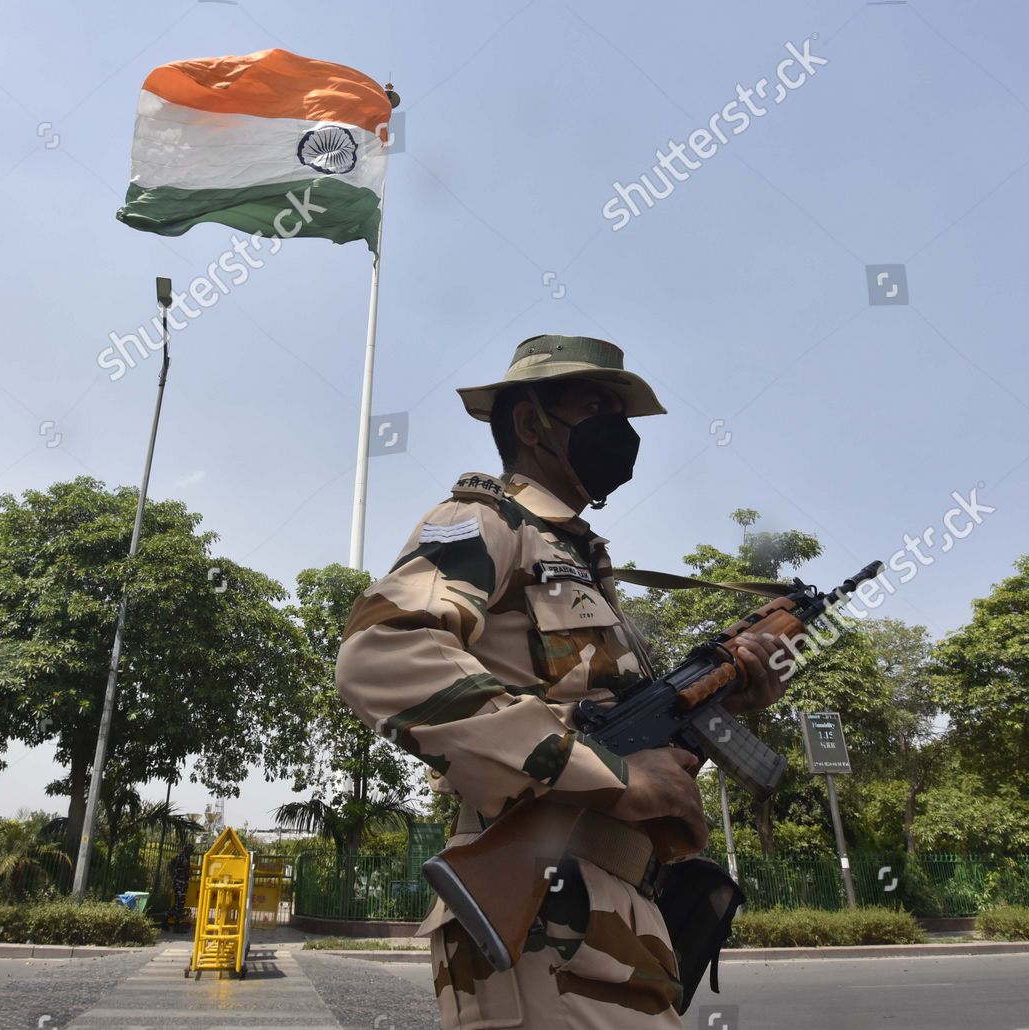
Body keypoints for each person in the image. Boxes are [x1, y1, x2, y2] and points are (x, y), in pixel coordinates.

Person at [334, 334, 793, 1028]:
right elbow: (382, 653)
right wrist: (606, 771)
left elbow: (609, 717)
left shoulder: (581, 565)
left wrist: (729, 691)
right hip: (544, 910)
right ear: (530, 423)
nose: (622, 431)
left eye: (624, 411)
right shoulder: (483, 521)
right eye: (597, 405)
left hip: (619, 909)